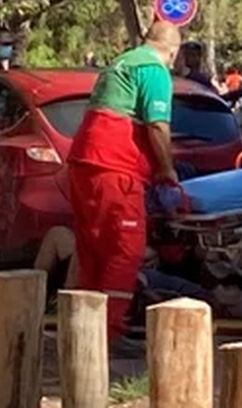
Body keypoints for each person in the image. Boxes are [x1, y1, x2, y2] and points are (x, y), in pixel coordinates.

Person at [67, 21, 183, 352]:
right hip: (115, 166)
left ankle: (84, 335)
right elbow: (157, 126)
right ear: (172, 51)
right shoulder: (154, 70)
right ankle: (109, 334)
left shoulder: (119, 63)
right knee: (125, 249)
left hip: (84, 162)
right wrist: (167, 169)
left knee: (93, 249)